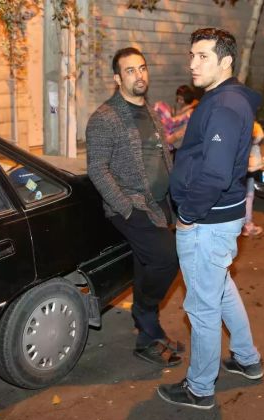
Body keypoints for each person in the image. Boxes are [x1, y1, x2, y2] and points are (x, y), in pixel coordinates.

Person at [159, 28, 263, 410]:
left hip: (207, 221)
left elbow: (217, 174)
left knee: (202, 308)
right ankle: (247, 359)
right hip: (219, 219)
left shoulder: (224, 105)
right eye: (192, 55)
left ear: (226, 61)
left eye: (202, 56)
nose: (192, 64)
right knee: (220, 290)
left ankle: (199, 388)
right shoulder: (224, 99)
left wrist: (187, 213)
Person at [85, 47, 183, 367]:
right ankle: (144, 313)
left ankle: (147, 335)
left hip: (158, 204)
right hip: (132, 205)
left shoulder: (151, 110)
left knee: (148, 263)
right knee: (168, 258)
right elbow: (98, 169)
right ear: (117, 78)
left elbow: (160, 155)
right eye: (130, 70)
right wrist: (125, 207)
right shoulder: (105, 117)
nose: (139, 75)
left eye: (142, 68)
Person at [242, 122, 264, 236]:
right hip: (250, 165)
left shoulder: (235, 122)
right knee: (249, 196)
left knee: (241, 196)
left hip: (240, 165)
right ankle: (247, 225)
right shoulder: (254, 126)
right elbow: (259, 137)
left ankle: (241, 224)